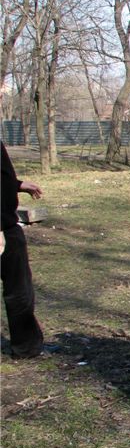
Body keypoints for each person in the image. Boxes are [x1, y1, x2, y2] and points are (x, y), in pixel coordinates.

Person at [1, 141, 44, 359]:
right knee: (18, 290)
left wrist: (17, 185)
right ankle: (26, 347)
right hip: (4, 228)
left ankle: (26, 346)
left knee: (20, 289)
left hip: (6, 224)